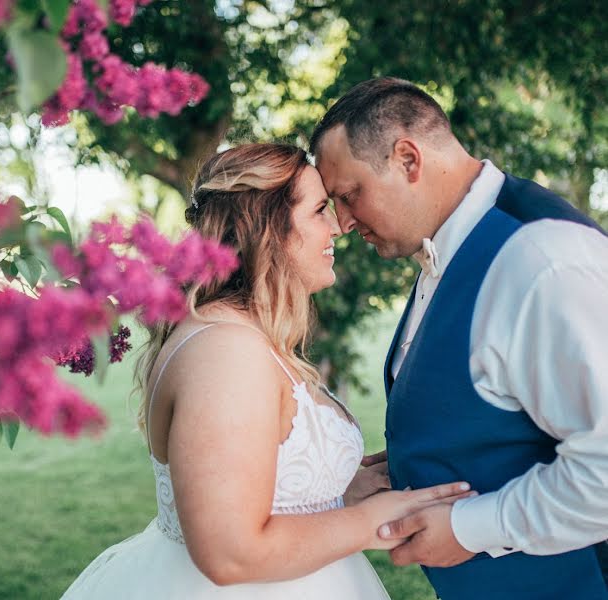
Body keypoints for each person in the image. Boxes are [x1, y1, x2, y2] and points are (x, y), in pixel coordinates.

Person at [61, 142, 474, 599]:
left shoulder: (242, 335)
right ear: (268, 228)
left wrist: (336, 493)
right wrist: (378, 520)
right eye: (319, 210)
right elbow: (229, 552)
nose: (337, 227)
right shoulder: (225, 351)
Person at [310, 77, 608, 600]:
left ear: (408, 159)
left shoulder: (542, 261)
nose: (344, 222)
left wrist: (471, 528)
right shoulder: (450, 246)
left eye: (350, 195)